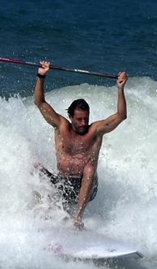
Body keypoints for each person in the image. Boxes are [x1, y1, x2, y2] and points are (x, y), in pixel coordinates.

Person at [34, 60, 128, 229]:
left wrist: (120, 89)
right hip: (63, 184)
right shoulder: (61, 126)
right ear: (70, 116)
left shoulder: (96, 131)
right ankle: (45, 214)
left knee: (89, 168)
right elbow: (40, 103)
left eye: (86, 118)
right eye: (79, 119)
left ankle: (78, 218)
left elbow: (121, 116)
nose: (84, 123)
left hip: (87, 186)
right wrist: (41, 76)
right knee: (34, 168)